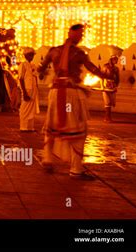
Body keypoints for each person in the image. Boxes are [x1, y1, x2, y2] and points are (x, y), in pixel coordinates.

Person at [38, 24, 109, 180]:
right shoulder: (79, 53)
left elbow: (40, 68)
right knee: (78, 130)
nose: (81, 37)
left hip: (55, 92)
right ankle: (76, 169)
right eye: (80, 34)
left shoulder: (53, 51)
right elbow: (92, 68)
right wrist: (106, 76)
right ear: (74, 35)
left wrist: (49, 71)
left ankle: (47, 159)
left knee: (51, 126)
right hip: (70, 93)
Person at [18, 48, 39, 132]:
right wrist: (24, 92)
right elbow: (21, 79)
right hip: (27, 89)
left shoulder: (33, 65)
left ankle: (30, 127)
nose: (32, 56)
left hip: (33, 89)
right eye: (30, 55)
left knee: (31, 109)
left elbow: (36, 77)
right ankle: (23, 127)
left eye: (33, 55)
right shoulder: (23, 65)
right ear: (25, 55)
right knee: (25, 108)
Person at [101, 55, 119, 123]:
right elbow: (101, 76)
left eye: (117, 59)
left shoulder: (116, 68)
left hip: (113, 86)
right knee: (107, 102)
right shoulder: (105, 66)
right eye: (115, 59)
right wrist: (102, 86)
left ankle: (109, 117)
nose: (116, 61)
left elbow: (117, 78)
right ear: (111, 59)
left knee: (111, 102)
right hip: (106, 85)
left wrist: (116, 86)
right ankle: (107, 118)